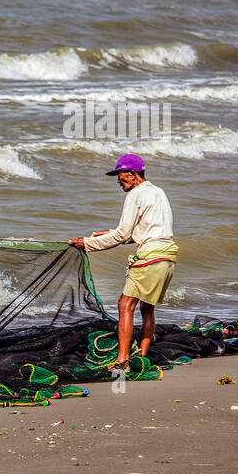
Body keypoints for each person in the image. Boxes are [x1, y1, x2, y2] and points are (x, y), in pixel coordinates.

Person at [70, 154, 178, 371]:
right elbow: (144, 231)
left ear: (133, 174)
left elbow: (121, 236)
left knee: (125, 305)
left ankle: (122, 362)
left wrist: (89, 243)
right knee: (147, 309)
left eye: (120, 175)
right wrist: (107, 233)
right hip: (168, 255)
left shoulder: (135, 195)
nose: (118, 180)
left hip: (149, 256)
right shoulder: (159, 192)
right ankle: (142, 357)